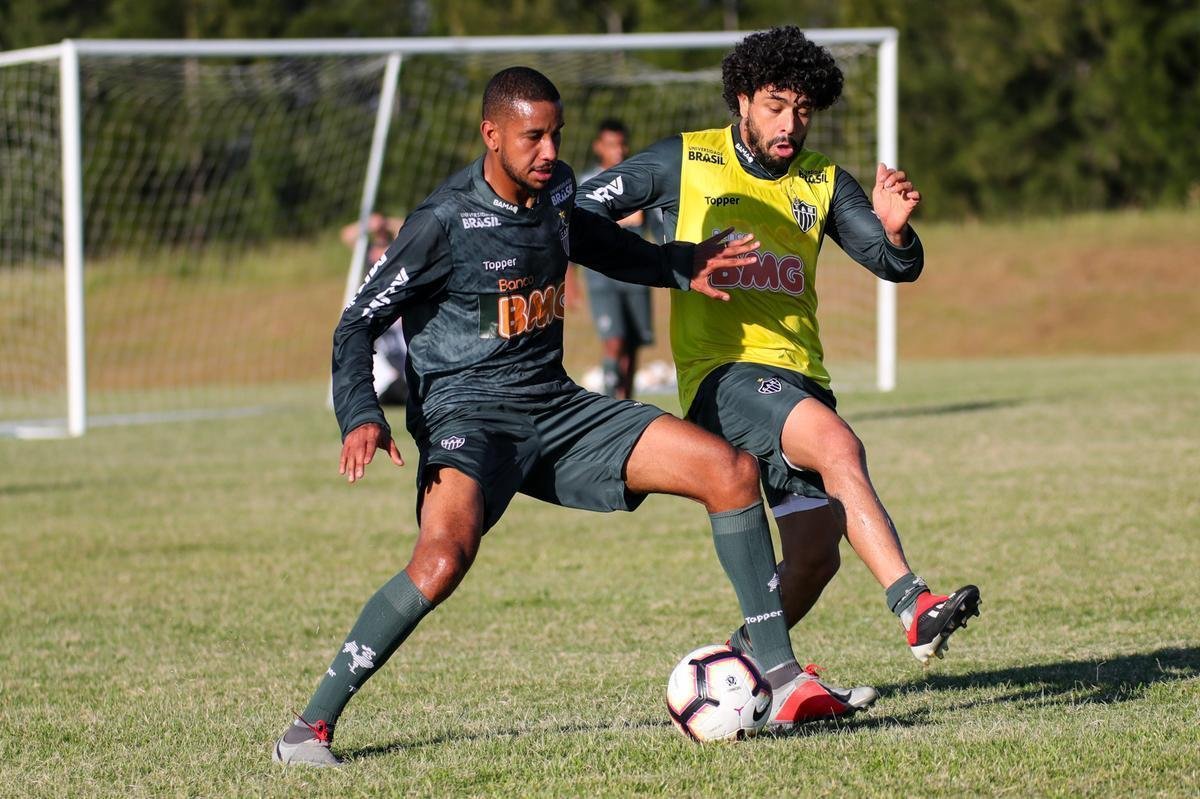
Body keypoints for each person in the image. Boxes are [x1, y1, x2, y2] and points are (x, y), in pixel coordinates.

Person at [273, 66, 863, 767]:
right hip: (470, 419)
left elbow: (591, 237)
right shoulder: (443, 222)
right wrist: (361, 413)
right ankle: (308, 727)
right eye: (533, 136)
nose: (550, 150)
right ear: (491, 136)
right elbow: (356, 323)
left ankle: (784, 676)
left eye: (556, 133)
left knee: (730, 471)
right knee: (441, 558)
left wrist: (678, 264)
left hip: (555, 407)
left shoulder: (554, 190)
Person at [577, 26, 982, 712]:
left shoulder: (822, 179)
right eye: (773, 105)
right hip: (724, 377)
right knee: (838, 445)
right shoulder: (685, 159)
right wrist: (665, 264)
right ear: (742, 99)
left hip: (800, 378)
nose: (789, 123)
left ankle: (736, 673)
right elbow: (578, 209)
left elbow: (894, 264)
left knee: (816, 556)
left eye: (801, 108)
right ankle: (914, 606)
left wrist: (896, 229)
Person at [570, 120, 660, 399]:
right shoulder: (587, 183)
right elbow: (573, 229)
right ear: (599, 147)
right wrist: (569, 277)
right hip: (602, 278)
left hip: (636, 275)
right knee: (614, 341)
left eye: (622, 144)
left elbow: (653, 224)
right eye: (611, 145)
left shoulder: (636, 180)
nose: (618, 150)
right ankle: (610, 405)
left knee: (633, 344)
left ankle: (627, 403)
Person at [341, 214, 409, 404]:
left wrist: (387, 222)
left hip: (397, 311)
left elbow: (410, 226)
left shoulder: (395, 247)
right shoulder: (367, 249)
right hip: (373, 309)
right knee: (375, 350)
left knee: (402, 351)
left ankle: (404, 386)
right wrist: (368, 223)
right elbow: (346, 235)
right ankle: (382, 387)